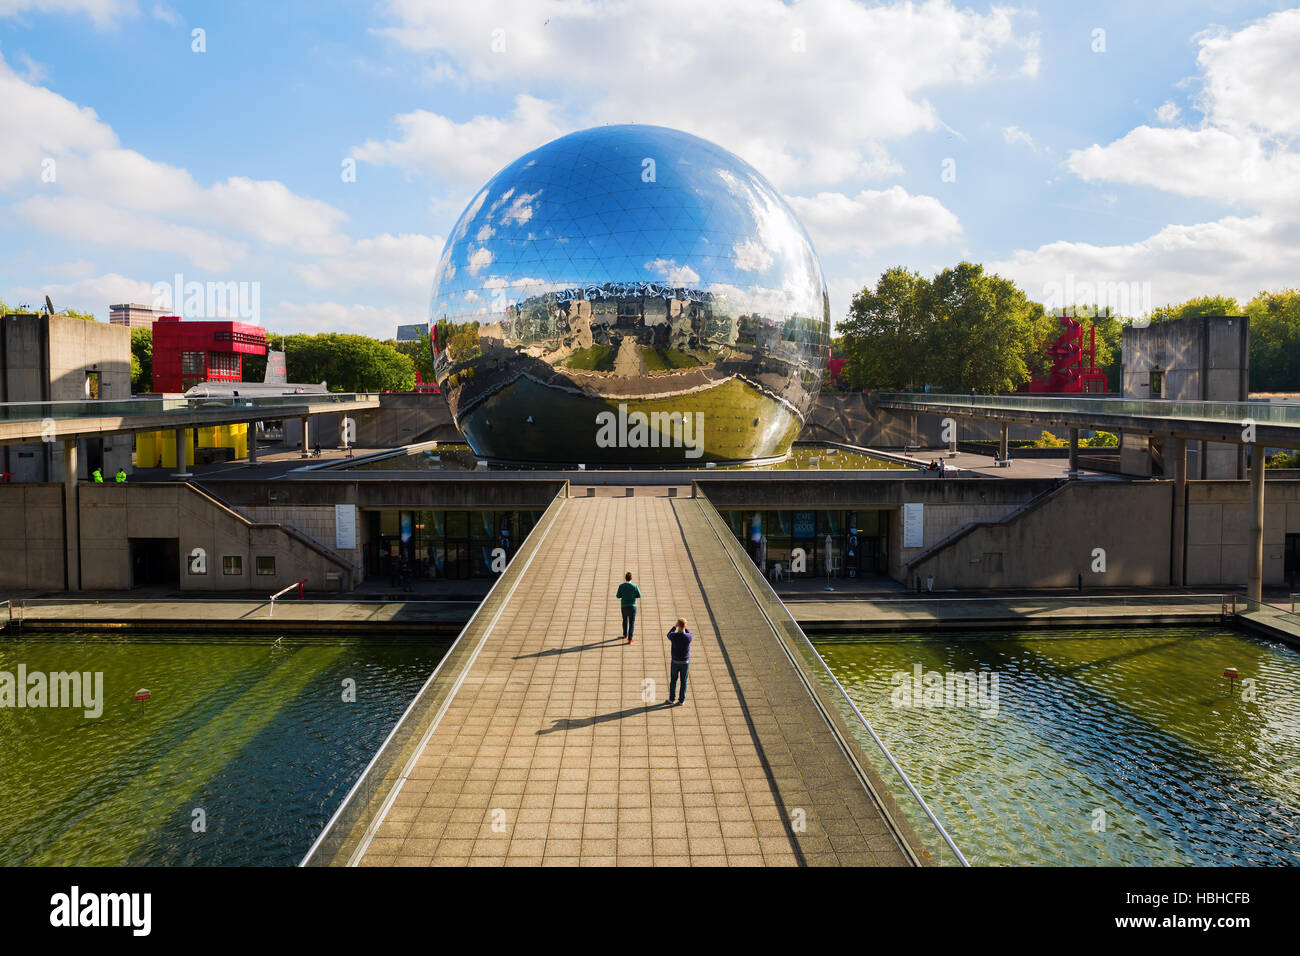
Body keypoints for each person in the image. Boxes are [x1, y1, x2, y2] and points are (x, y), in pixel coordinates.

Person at [665, 619, 693, 706]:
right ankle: (681, 700)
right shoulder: (688, 637)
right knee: (683, 681)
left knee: (673, 680)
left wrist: (674, 627)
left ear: (678, 625)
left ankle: (672, 698)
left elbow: (668, 634)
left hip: (675, 661)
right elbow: (690, 633)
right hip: (685, 662)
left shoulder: (674, 636)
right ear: (685, 626)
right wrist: (686, 628)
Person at [616, 571, 641, 644]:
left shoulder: (621, 586)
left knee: (624, 620)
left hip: (624, 606)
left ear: (625, 578)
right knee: (631, 622)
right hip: (633, 606)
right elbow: (639, 595)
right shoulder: (634, 586)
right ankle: (630, 639)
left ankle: (625, 634)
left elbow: (618, 596)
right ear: (631, 578)